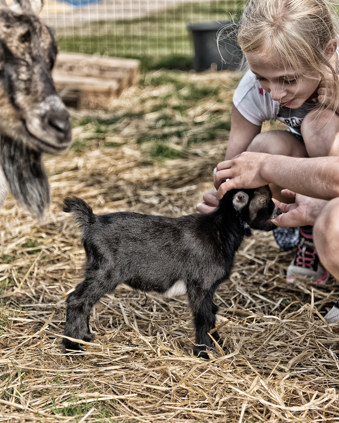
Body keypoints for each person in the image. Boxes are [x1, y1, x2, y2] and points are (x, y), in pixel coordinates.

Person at [198, 0, 339, 284]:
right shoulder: (254, 91)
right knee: (262, 149)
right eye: (262, 77)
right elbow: (233, 166)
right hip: (311, 180)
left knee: (319, 126)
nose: (275, 93)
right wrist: (225, 200)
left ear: (328, 51)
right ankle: (310, 235)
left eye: (288, 79)